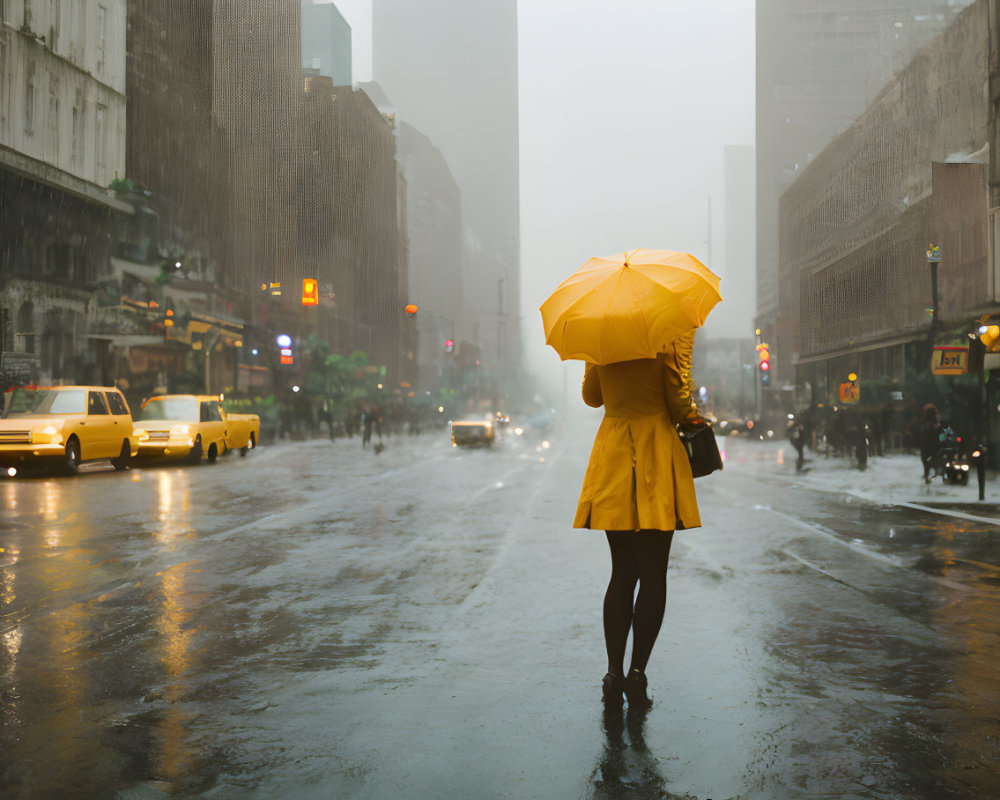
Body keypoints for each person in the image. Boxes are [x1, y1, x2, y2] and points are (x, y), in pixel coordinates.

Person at [573, 329, 705, 708]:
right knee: (653, 574)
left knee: (621, 573)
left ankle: (613, 675)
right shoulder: (667, 334)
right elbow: (680, 405)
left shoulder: (602, 336)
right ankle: (637, 675)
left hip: (614, 455)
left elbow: (591, 397)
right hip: (656, 455)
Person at [918, 403, 941, 483]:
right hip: (932, 443)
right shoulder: (934, 422)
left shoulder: (924, 422)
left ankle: (927, 474)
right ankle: (932, 473)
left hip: (926, 444)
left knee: (926, 460)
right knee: (933, 458)